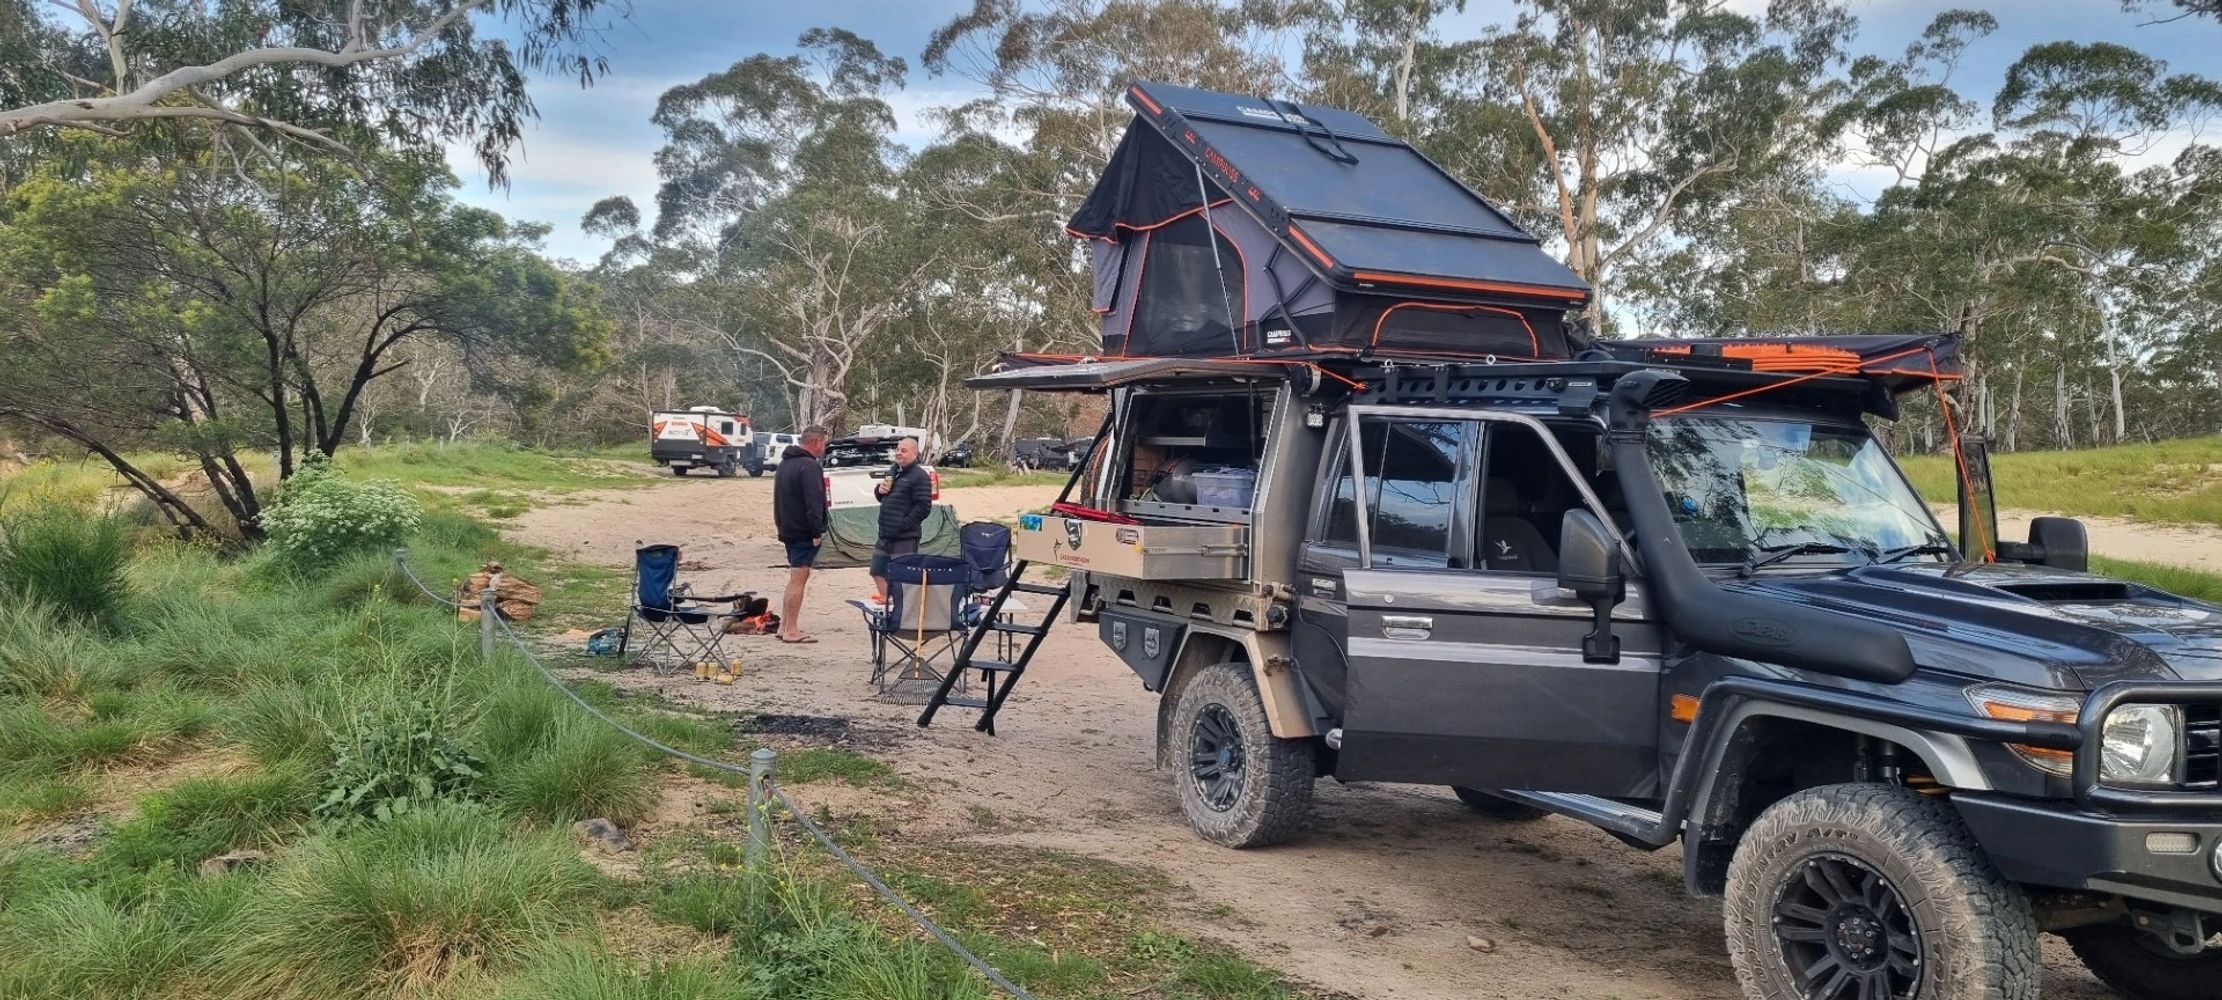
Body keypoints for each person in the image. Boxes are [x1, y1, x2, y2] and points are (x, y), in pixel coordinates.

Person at [771, 426, 830, 643]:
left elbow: (777, 501)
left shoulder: (785, 464)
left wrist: (780, 527)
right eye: (824, 443)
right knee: (799, 579)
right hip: (803, 532)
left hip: (788, 529)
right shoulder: (809, 466)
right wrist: (817, 531)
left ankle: (783, 626)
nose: (824, 448)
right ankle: (791, 630)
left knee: (794, 578)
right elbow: (814, 503)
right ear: (816, 442)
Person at [870, 436, 934, 601]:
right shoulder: (893, 471)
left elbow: (924, 507)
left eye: (903, 450)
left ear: (914, 453)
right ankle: (887, 599)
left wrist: (903, 524)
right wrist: (879, 491)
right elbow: (885, 498)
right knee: (876, 570)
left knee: (903, 575)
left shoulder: (920, 476)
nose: (899, 453)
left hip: (905, 535)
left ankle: (902, 607)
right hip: (885, 532)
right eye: (897, 450)